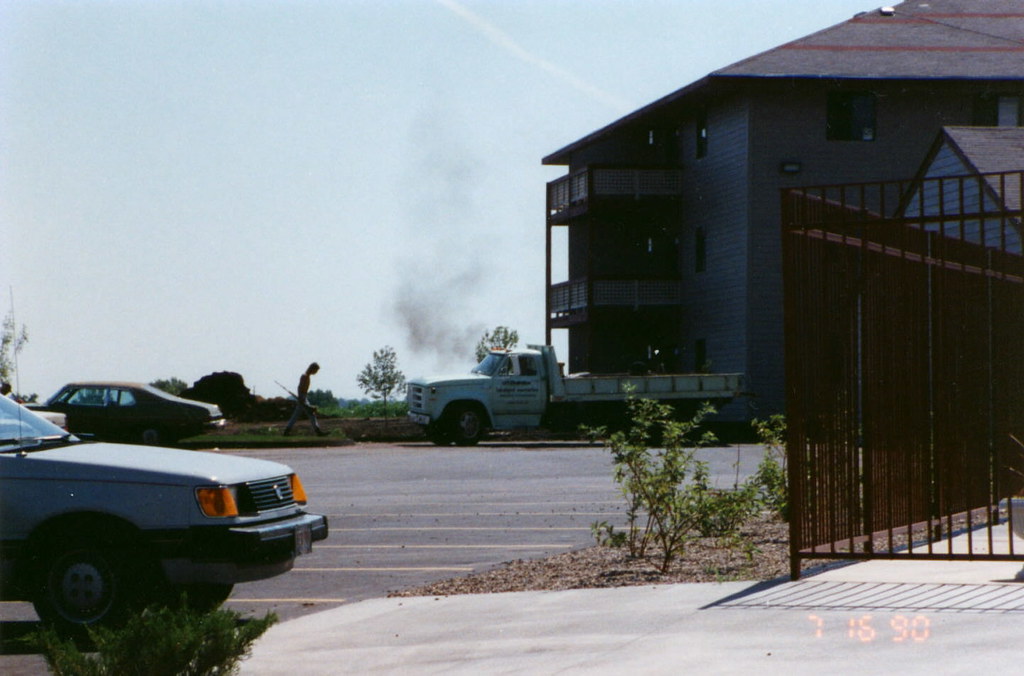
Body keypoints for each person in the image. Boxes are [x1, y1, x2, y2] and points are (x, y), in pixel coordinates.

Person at [283, 362, 326, 436]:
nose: (316, 372)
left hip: (303, 396)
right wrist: (300, 398)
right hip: (302, 397)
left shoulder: (307, 376)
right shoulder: (304, 376)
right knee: (311, 413)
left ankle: (287, 431)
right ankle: (318, 431)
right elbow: (299, 387)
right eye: (316, 370)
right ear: (312, 369)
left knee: (296, 415)